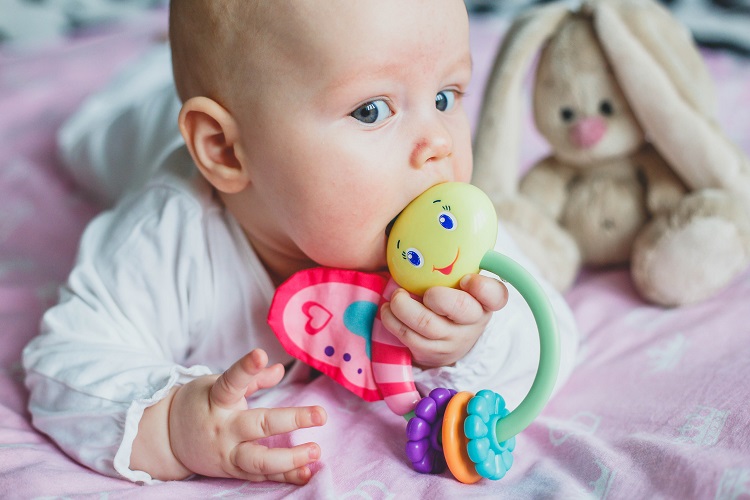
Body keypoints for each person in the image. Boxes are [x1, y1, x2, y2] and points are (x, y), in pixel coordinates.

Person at [23, 0, 579, 487]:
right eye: (371, 110)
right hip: (141, 132)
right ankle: (148, 66)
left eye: (445, 96)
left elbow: (551, 333)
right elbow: (64, 362)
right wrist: (171, 424)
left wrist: (471, 343)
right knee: (91, 138)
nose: (437, 143)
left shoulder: (437, 224)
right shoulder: (167, 236)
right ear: (225, 150)